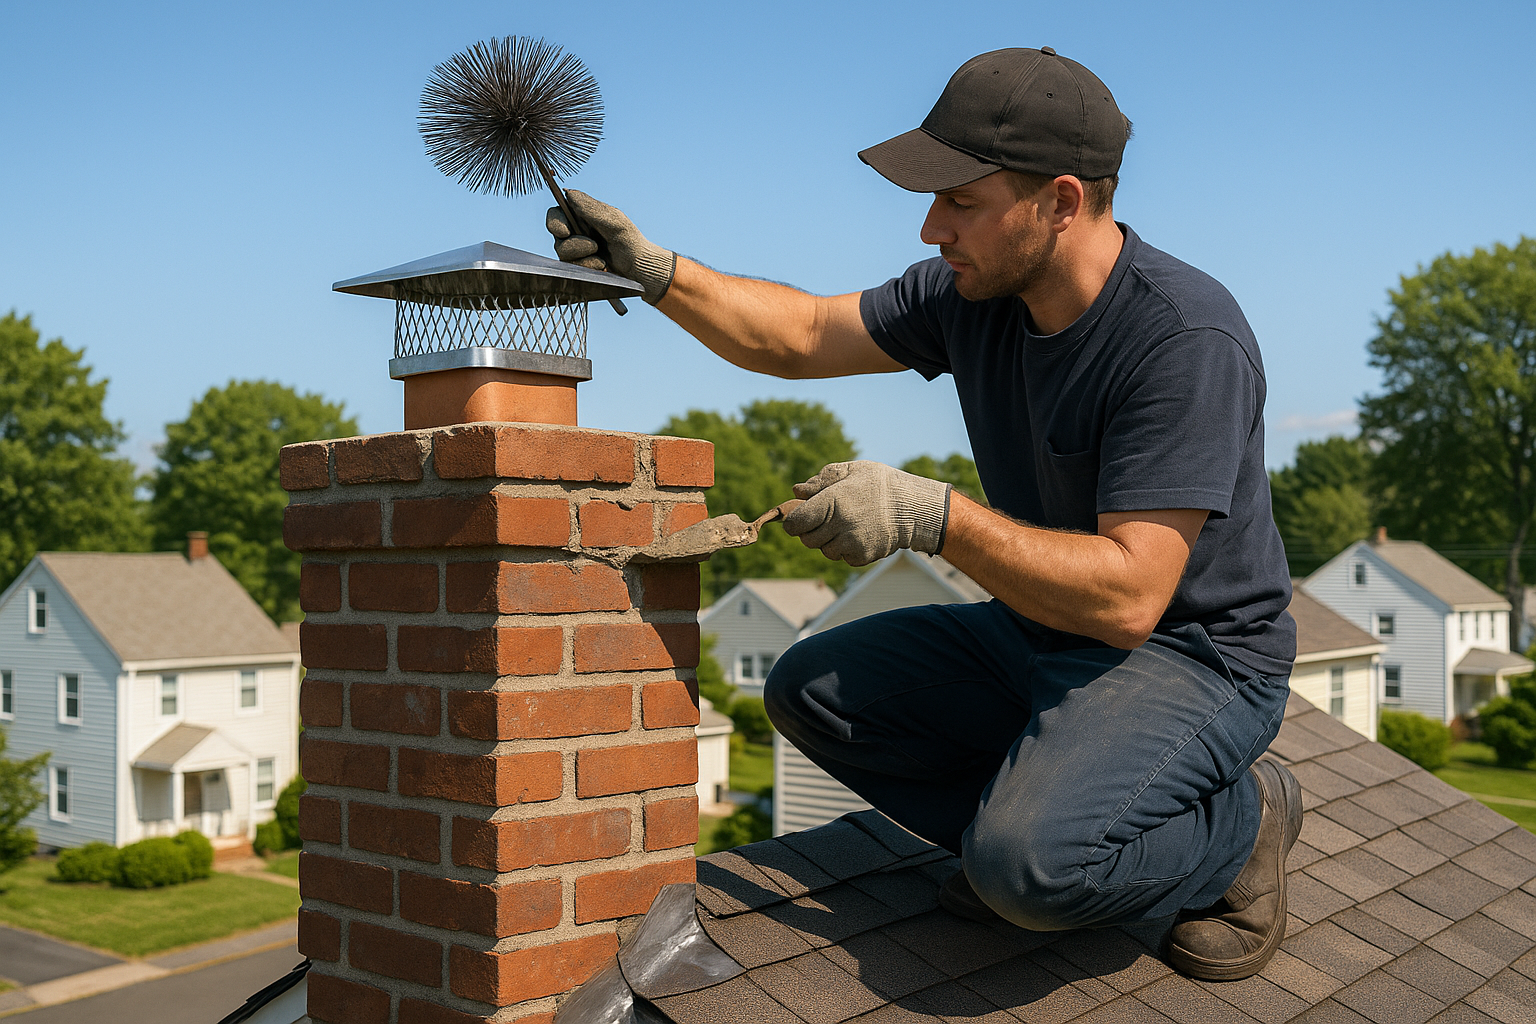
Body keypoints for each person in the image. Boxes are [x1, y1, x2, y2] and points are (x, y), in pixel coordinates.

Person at [548, 47, 1300, 982]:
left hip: (1193, 657)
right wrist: (655, 271)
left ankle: (1240, 823)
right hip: (1045, 632)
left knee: (1028, 871)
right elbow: (798, 337)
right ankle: (1044, 822)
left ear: (1061, 202)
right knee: (812, 691)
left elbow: (1130, 598)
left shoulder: (1183, 340)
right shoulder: (973, 295)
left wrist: (932, 516)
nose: (930, 226)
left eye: (960, 200)